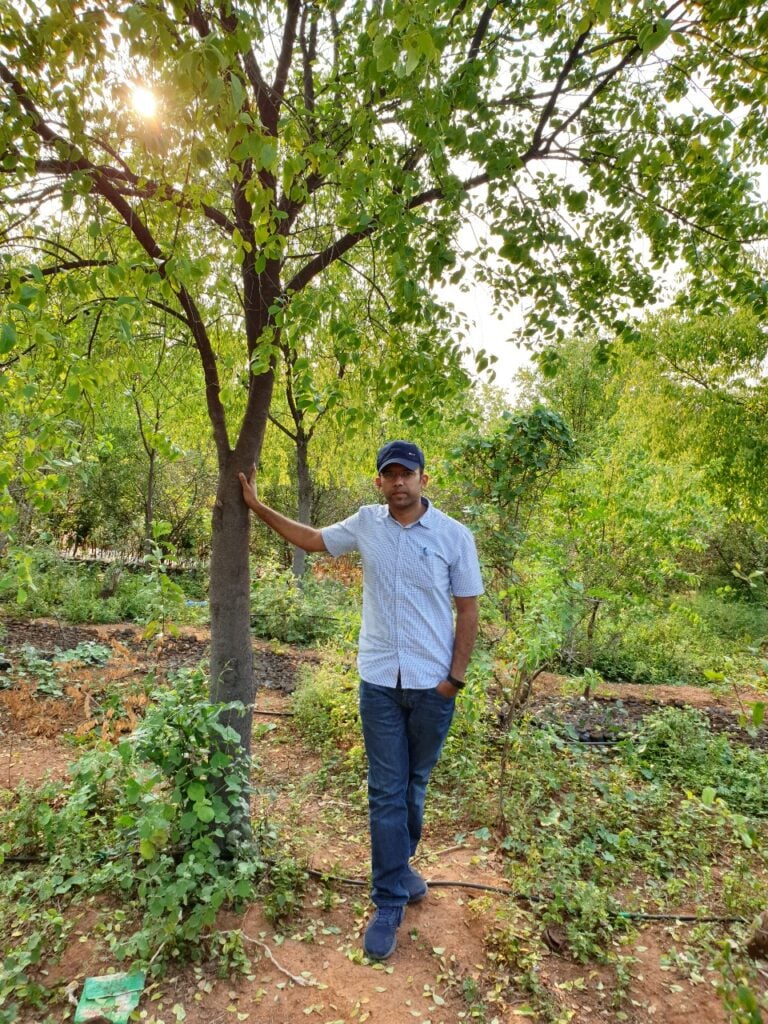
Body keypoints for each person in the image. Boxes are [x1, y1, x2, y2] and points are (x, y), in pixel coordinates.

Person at [239, 440, 483, 960]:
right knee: (387, 792)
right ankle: (390, 899)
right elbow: (311, 540)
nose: (399, 482)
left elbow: (467, 611)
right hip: (378, 685)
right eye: (389, 475)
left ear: (423, 478)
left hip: (432, 687)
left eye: (407, 474)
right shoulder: (366, 524)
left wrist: (453, 682)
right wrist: (258, 507)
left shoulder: (453, 537)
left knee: (414, 786)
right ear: (378, 482)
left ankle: (401, 866)